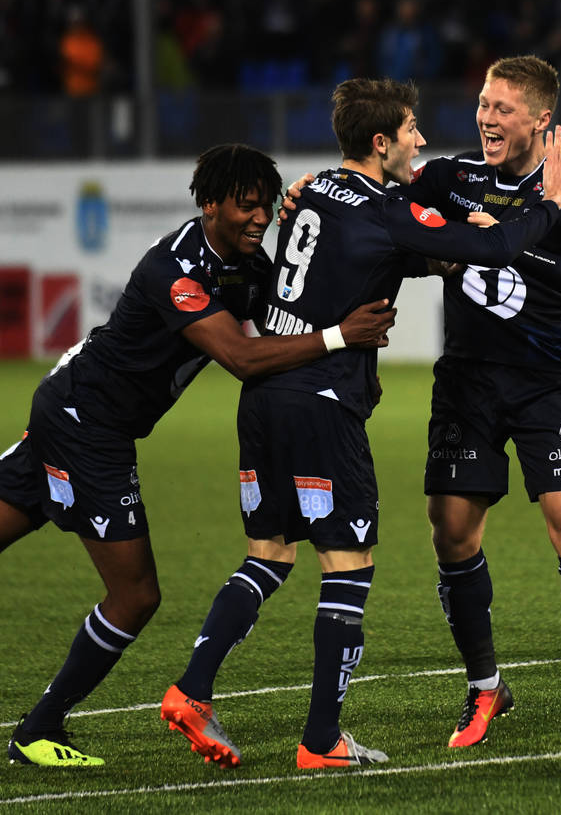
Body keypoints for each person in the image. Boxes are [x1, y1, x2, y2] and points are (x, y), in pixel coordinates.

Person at [159, 78, 561, 769]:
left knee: (269, 553)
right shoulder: (385, 208)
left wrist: (437, 256)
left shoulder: (315, 189)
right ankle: (321, 740)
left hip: (264, 397)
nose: (421, 139)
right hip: (320, 404)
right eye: (412, 129)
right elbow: (495, 252)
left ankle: (192, 689)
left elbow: (379, 258)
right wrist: (551, 203)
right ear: (380, 142)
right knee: (348, 566)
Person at [0, 143, 395, 767]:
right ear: (209, 204)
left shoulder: (240, 261)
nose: (259, 219)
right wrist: (343, 336)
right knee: (135, 598)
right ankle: (37, 730)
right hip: (89, 427)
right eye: (246, 208)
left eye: (266, 207)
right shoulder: (174, 269)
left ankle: (42, 728)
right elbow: (241, 357)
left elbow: (292, 305)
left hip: (72, 411)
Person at [397, 55, 561, 750]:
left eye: (502, 109)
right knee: (451, 532)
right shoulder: (450, 178)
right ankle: (486, 686)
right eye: (484, 105)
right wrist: (312, 190)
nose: (485, 119)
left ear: (540, 119)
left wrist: (499, 244)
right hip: (466, 382)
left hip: (544, 382)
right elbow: (382, 204)